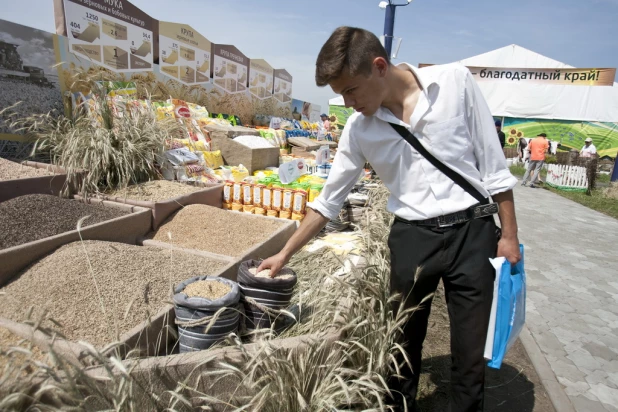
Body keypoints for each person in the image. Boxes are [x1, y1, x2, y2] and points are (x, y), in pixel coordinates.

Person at [257, 26, 521, 412]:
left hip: (473, 233)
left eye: (351, 90)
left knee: (469, 351)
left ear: (379, 66)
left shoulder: (455, 84)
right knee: (400, 344)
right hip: (413, 239)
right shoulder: (359, 129)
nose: (347, 102)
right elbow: (328, 202)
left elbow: (495, 169)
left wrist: (509, 236)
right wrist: (284, 255)